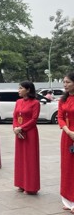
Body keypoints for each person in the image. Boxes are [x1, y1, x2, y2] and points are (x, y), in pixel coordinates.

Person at [13, 81, 40, 195]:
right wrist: (15, 128)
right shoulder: (18, 101)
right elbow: (15, 116)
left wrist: (22, 128)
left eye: (21, 88)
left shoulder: (35, 103)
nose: (19, 90)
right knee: (20, 159)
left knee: (30, 159)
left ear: (28, 90)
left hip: (30, 134)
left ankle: (31, 186)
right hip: (19, 134)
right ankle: (21, 184)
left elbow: (34, 120)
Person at [57, 73, 74, 212]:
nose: (65, 84)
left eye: (68, 82)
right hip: (67, 136)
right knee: (67, 167)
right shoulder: (63, 100)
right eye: (64, 82)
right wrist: (68, 131)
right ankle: (68, 199)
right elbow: (60, 117)